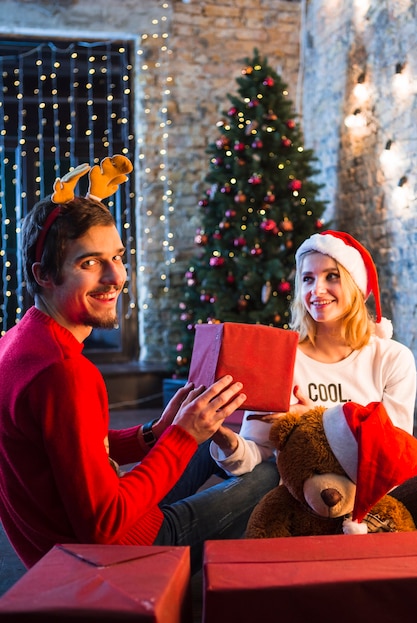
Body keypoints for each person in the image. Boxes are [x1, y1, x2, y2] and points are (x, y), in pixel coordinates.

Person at [0, 158, 278, 574]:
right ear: (44, 275)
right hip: (105, 554)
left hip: (64, 542)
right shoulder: (64, 372)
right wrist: (181, 437)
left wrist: (155, 433)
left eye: (117, 256)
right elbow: (105, 525)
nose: (116, 276)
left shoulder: (17, 340)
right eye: (89, 263)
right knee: (270, 475)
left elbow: (70, 446)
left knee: (205, 437)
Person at [210, 230, 417, 475]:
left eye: (332, 276)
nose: (317, 290)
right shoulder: (282, 359)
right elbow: (255, 454)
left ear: (355, 286)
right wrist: (224, 439)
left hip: (364, 497)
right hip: (294, 494)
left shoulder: (392, 359)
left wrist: (314, 420)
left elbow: (394, 454)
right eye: (307, 279)